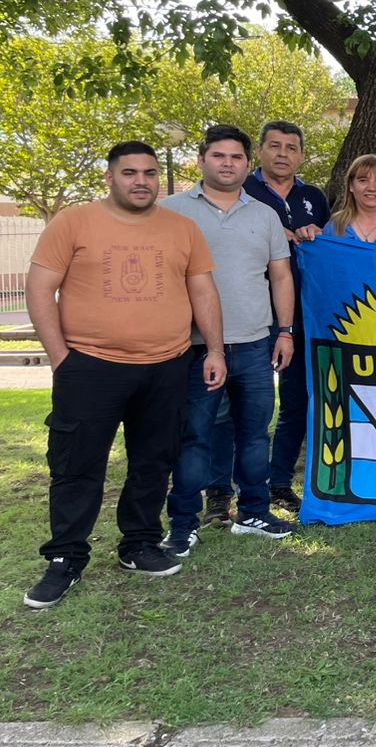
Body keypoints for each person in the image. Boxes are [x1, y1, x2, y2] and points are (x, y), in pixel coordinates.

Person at [22, 142, 226, 609]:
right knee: (77, 465)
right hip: (90, 366)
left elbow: (203, 291)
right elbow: (39, 289)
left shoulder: (182, 228)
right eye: (130, 172)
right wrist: (61, 358)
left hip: (167, 364)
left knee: (154, 460)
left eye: (150, 173)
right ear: (109, 177)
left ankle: (139, 543)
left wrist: (214, 349)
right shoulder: (73, 222)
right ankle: (65, 559)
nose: (141, 181)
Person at [162, 125, 298, 555]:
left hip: (256, 344)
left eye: (236, 157)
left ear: (247, 163)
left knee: (255, 435)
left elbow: (280, 276)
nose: (227, 163)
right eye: (218, 156)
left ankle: (254, 511)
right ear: (202, 159)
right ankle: (183, 523)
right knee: (195, 438)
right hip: (195, 347)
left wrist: (285, 331)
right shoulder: (171, 212)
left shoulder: (265, 215)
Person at [233, 119, 330, 517]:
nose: (282, 154)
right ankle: (228, 489)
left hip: (305, 314)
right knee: (247, 407)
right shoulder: (242, 192)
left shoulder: (314, 196)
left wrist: (316, 234)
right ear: (260, 152)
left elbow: (329, 245)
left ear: (301, 156)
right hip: (253, 312)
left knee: (296, 402)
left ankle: (278, 484)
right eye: (275, 146)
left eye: (291, 148)